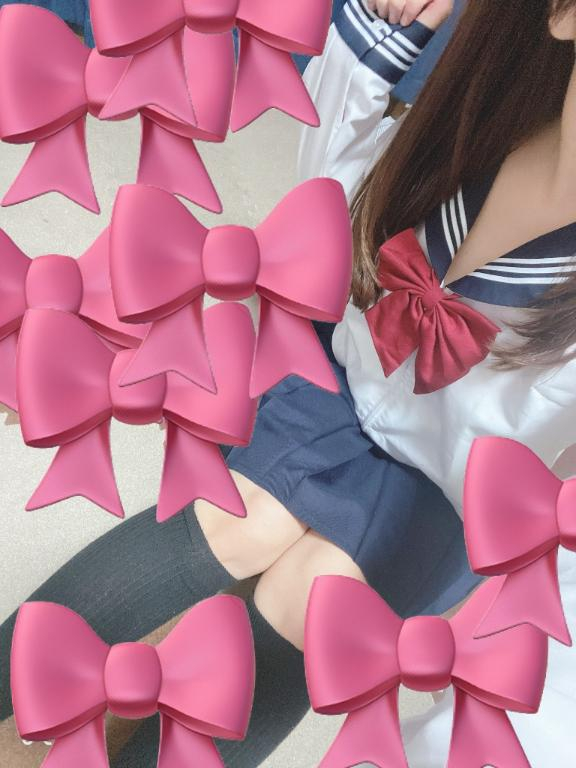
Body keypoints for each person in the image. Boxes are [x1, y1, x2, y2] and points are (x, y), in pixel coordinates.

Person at [3, 1, 576, 766]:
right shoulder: (476, 122)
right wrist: (380, 41)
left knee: (312, 598)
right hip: (341, 385)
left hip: (446, 498)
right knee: (240, 519)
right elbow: (326, 211)